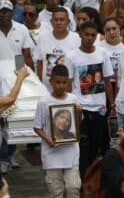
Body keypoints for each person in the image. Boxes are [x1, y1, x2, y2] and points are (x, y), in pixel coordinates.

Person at [65, 21, 115, 176]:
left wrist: (111, 104)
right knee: (82, 146)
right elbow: (68, 85)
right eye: (86, 34)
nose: (89, 38)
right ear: (80, 34)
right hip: (81, 108)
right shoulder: (71, 56)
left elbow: (107, 81)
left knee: (97, 144)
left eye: (93, 35)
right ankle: (81, 177)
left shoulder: (102, 53)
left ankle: (91, 178)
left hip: (100, 108)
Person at [33, 64, 81, 198]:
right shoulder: (44, 101)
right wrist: (49, 140)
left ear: (68, 82)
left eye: (64, 82)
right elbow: (37, 127)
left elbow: (77, 125)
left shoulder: (73, 99)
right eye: (57, 82)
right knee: (56, 190)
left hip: (71, 150)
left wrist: (79, 112)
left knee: (73, 187)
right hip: (51, 152)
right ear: (51, 81)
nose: (61, 85)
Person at [36, 7, 80, 91]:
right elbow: (39, 63)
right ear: (51, 22)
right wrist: (40, 85)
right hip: (47, 91)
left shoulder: (77, 39)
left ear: (68, 22)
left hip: (70, 92)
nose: (58, 23)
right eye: (56, 20)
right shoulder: (42, 38)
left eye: (62, 20)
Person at [0, 0, 34, 69]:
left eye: (7, 11)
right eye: (1, 12)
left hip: (17, 73)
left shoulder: (22, 29)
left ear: (12, 13)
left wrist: (28, 75)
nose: (5, 14)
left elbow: (26, 56)